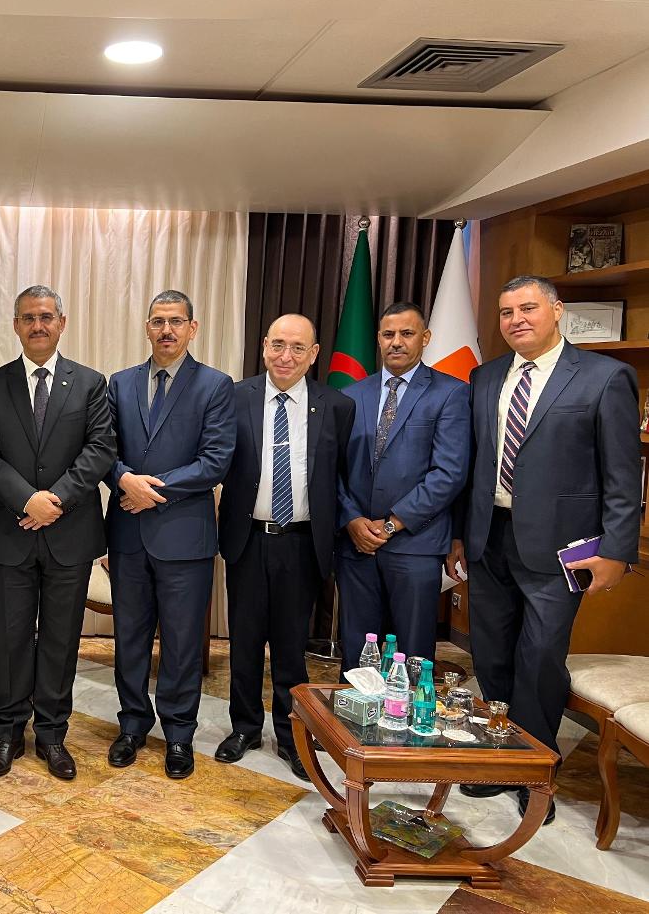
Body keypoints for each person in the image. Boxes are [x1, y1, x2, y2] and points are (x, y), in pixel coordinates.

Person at [449, 275, 640, 823]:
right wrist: (459, 534)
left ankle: (535, 772)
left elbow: (623, 475)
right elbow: (474, 466)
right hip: (489, 536)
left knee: (539, 658)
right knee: (491, 653)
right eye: (506, 312)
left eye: (528, 308)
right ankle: (501, 754)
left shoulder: (604, 377)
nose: (517, 320)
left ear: (557, 310)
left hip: (562, 547)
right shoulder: (485, 377)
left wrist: (617, 550)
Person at [0, 285, 115, 780]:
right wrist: (25, 499)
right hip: (10, 531)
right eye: (28, 317)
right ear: (16, 325)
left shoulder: (91, 383)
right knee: (9, 639)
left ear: (62, 323)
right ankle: (7, 733)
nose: (38, 325)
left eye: (46, 317)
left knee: (60, 639)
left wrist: (54, 501)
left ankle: (52, 734)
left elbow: (100, 449)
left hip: (69, 534)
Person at [215, 314, 354, 780]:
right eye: (277, 344)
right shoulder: (235, 397)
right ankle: (244, 728)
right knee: (245, 642)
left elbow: (343, 477)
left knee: (292, 648)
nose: (286, 356)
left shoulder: (337, 406)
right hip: (248, 539)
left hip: (302, 543)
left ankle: (292, 734)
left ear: (314, 354)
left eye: (297, 347)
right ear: (263, 346)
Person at [105, 289, 236, 779]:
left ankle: (179, 734)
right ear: (147, 327)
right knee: (129, 638)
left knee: (181, 644)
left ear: (192, 328)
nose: (166, 330)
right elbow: (104, 449)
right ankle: (132, 725)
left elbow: (215, 461)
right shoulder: (120, 383)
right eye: (158, 321)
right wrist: (125, 480)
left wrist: (149, 491)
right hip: (128, 535)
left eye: (176, 321)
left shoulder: (215, 385)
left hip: (185, 537)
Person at [335, 301, 470, 670]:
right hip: (356, 545)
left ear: (425, 338)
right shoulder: (351, 395)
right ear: (378, 339)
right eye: (388, 334)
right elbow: (333, 470)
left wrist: (393, 524)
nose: (396, 342)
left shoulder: (451, 393)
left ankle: (404, 711)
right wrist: (351, 520)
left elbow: (449, 473)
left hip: (415, 545)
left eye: (407, 333)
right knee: (357, 656)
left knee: (411, 658)